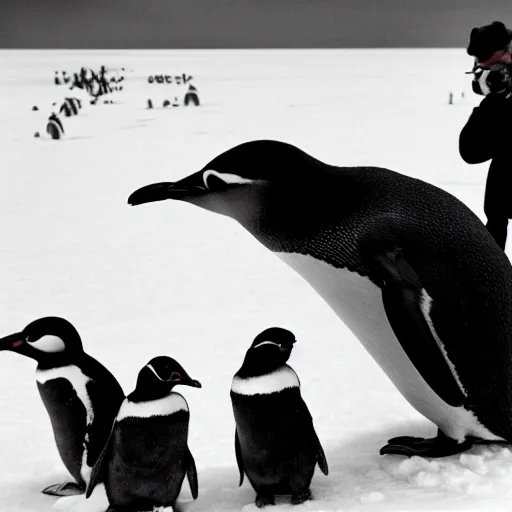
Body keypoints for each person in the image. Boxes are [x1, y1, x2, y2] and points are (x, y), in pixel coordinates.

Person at [459, 21, 512, 250]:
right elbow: (470, 151)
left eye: (499, 66)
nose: (496, 75)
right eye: (487, 70)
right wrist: (495, 102)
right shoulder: (497, 103)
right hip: (502, 194)